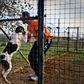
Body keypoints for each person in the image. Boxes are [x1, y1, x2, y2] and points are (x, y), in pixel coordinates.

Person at [21, 11, 53, 81]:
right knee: (31, 57)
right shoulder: (28, 26)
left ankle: (39, 76)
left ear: (26, 17)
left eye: (22, 17)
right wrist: (28, 38)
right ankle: (37, 73)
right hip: (38, 41)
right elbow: (30, 35)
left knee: (38, 57)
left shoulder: (36, 22)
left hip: (46, 40)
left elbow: (42, 34)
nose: (21, 18)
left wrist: (39, 43)